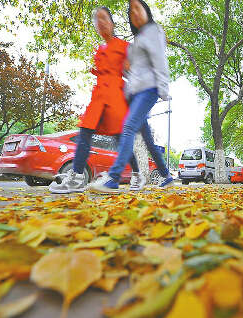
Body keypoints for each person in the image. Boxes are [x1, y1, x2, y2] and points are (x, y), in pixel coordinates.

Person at [49, 6, 145, 194]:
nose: (100, 23)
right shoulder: (99, 50)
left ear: (111, 23)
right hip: (99, 95)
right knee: (85, 130)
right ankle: (76, 178)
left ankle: (137, 174)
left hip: (116, 96)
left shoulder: (125, 46)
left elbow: (136, 71)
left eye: (103, 18)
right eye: (96, 20)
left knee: (120, 138)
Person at [90, 0, 173, 193]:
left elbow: (160, 61)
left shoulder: (154, 31)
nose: (134, 12)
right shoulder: (139, 39)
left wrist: (163, 89)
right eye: (131, 11)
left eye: (138, 8)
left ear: (146, 10)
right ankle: (166, 175)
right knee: (148, 140)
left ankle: (113, 178)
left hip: (149, 90)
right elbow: (134, 72)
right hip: (136, 94)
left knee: (127, 127)